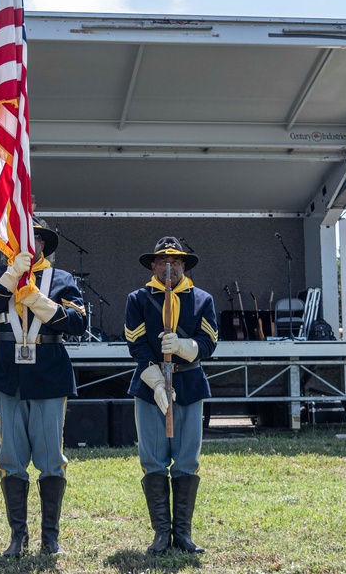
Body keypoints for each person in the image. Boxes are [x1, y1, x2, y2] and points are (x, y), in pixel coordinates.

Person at [0, 220, 86, 557]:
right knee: (11, 459)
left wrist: (40, 301)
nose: (27, 242)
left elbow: (79, 323)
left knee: (52, 459)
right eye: (19, 236)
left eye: (33, 236)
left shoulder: (62, 279)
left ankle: (49, 538)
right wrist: (9, 278)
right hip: (7, 375)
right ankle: (17, 537)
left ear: (42, 243)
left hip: (49, 375)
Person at [124, 236, 218, 555]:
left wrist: (183, 346)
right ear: (153, 265)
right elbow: (135, 345)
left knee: (187, 460)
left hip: (189, 385)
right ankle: (161, 533)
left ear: (183, 265)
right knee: (152, 460)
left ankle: (183, 534)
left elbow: (209, 343)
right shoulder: (137, 299)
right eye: (163, 261)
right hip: (151, 386)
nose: (169, 267)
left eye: (176, 261)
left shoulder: (201, 299)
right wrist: (156, 379)